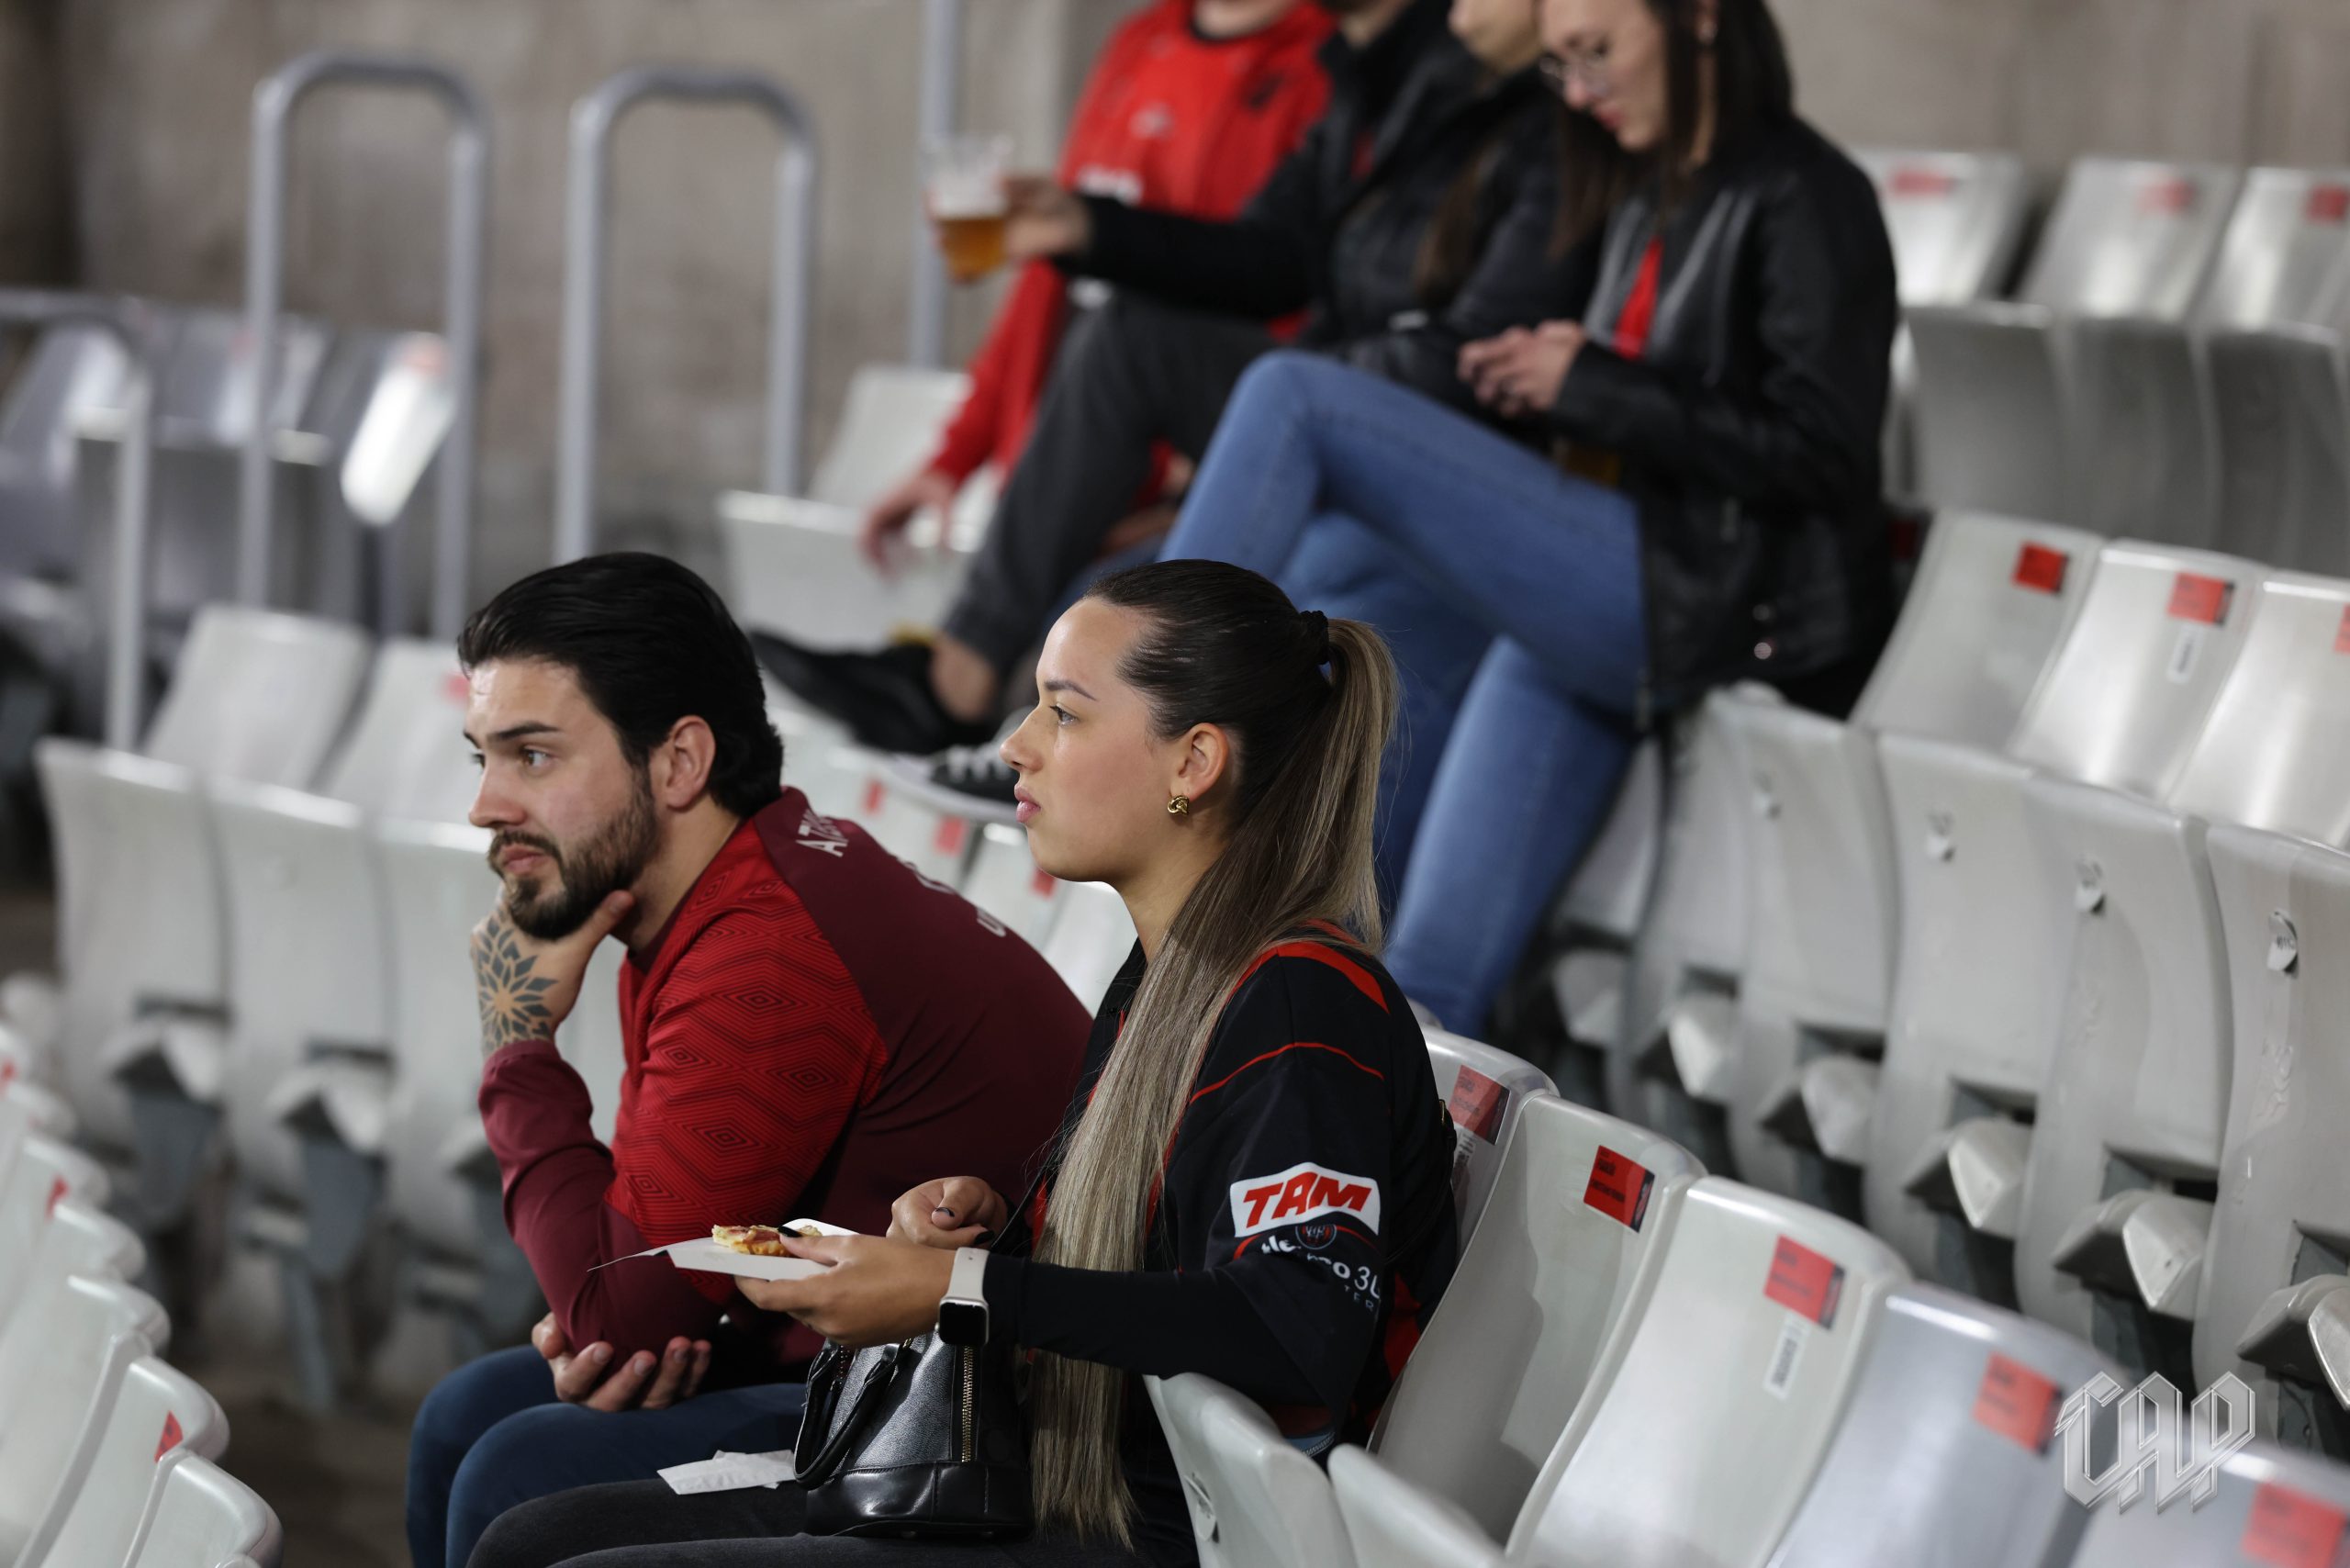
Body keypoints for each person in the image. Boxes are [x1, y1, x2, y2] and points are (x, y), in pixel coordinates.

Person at [471, 560, 1460, 1568]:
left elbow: (1292, 1324)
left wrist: (968, 1283)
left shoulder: (1300, 999)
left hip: (1153, 1535)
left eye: (1063, 714)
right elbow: (1159, 1273)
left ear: (1193, 762)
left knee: (535, 1531)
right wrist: (978, 1233)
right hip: (1055, 1473)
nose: (1015, 745)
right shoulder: (1166, 977)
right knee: (533, 1534)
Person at [1156, 0, 1897, 1033]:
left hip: (1709, 597)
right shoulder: (1648, 185)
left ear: (1699, 17)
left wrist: (1588, 387)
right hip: (1598, 603)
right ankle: (1325, 1087)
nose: (1582, 93)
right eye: (1560, 68)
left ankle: (1142, 694)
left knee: (1296, 400)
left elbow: (1826, 453)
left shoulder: (1807, 192)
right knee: (1422, 984)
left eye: (1597, 53)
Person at [406, 554, 1091, 1568]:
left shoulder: (765, 950)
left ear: (680, 762)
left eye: (534, 756)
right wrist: (636, 1309)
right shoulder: (736, 879)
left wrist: (517, 1041)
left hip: (990, 1423)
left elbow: (616, 1310)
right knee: (465, 1415)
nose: (486, 806)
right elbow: (640, 1282)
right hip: (865, 1356)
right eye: (484, 759)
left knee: (516, 1471)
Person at [757, 0, 1562, 774]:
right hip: (1314, 401)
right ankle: (969, 688)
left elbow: (1457, 345)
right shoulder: (1365, 69)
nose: (1464, 9)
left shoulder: (1473, 85)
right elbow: (1273, 260)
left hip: (1393, 438)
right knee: (1141, 348)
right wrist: (1085, 229)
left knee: (1182, 469)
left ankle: (1089, 738)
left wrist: (1232, 454)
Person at [859, 0, 1334, 572]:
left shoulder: (1324, 56)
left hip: (1182, 500)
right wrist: (953, 459)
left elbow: (1284, 291)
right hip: (1058, 478)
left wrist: (1195, 491)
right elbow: (1048, 276)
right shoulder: (1141, 39)